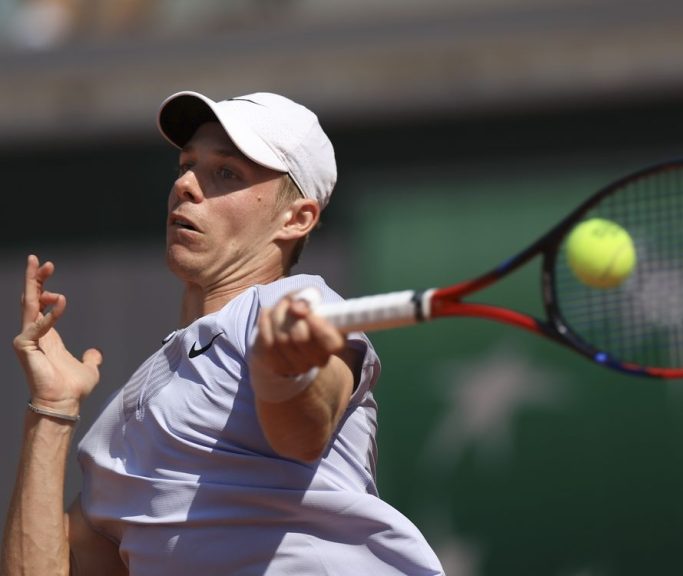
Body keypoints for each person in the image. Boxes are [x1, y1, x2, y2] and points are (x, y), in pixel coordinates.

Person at [2, 90, 445, 575]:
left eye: (226, 173)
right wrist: (52, 408)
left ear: (296, 219)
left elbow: (305, 431)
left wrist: (285, 373)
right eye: (186, 165)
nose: (186, 185)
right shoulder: (117, 429)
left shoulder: (291, 302)